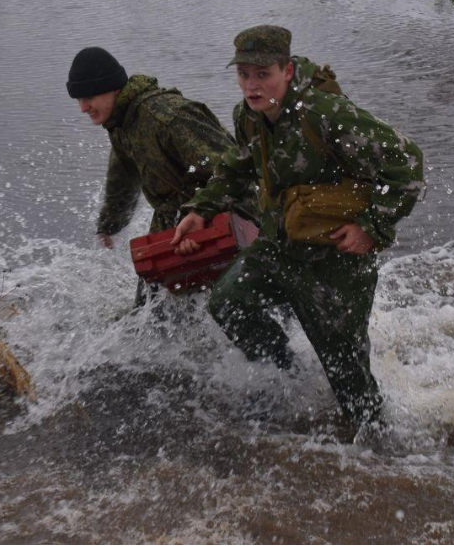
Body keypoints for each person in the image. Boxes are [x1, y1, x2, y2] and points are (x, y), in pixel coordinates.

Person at [171, 25, 424, 430]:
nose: (251, 86)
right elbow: (238, 167)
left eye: (262, 74)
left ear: (286, 71)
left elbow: (408, 163)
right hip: (279, 247)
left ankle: (381, 453)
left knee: (350, 384)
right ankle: (284, 376)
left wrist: (372, 228)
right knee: (229, 303)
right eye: (243, 74)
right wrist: (202, 209)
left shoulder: (325, 115)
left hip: (335, 262)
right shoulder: (248, 116)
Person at [66, 45, 234, 265]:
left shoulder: (166, 117)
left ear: (114, 89)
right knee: (151, 293)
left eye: (89, 97)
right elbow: (124, 177)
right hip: (174, 219)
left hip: (221, 212)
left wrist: (202, 212)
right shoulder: (119, 122)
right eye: (79, 99)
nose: (83, 108)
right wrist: (108, 227)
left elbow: (232, 167)